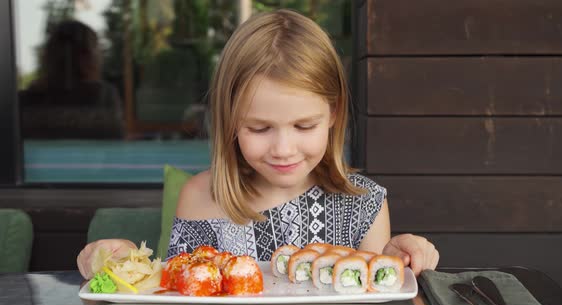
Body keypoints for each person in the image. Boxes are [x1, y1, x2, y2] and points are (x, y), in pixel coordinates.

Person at [77, 9, 439, 279]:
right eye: (260, 128)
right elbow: (176, 291)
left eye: (303, 125)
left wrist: (395, 260)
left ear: (333, 113)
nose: (283, 148)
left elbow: (373, 303)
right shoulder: (200, 196)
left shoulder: (365, 205)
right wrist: (124, 262)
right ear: (231, 121)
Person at [20, 20, 124, 139]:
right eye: (97, 49)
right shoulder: (105, 96)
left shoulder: (22, 102)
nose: (101, 57)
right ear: (86, 58)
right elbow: (115, 142)